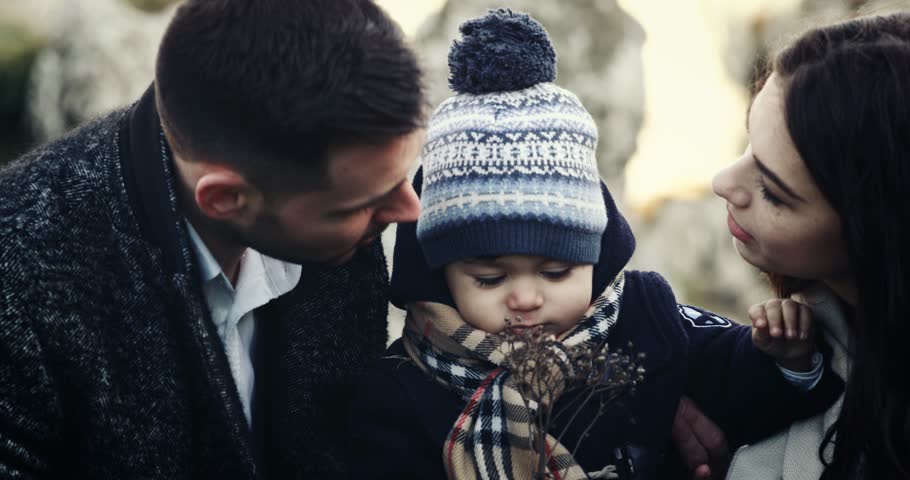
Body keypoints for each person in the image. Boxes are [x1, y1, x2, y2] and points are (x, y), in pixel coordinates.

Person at [345, 10, 842, 479]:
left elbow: (737, 389)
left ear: (595, 255)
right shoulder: (404, 390)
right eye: (490, 278)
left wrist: (786, 361)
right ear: (440, 272)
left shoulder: (645, 320)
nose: (526, 297)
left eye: (557, 272)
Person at [0, 0, 424, 477]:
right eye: (358, 204)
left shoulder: (335, 197)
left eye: (401, 177)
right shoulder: (19, 289)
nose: (410, 209)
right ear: (225, 199)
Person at [672, 11, 910, 480]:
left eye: (774, 192)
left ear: (873, 234)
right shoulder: (799, 339)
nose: (723, 183)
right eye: (748, 146)